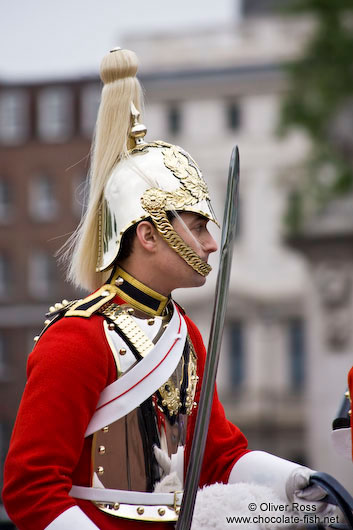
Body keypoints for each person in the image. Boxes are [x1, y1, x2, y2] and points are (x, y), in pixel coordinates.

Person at [3, 48, 331, 530]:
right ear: (149, 234)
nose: (212, 243)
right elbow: (30, 488)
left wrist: (303, 488)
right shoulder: (77, 341)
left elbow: (219, 459)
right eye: (197, 227)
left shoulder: (185, 335)